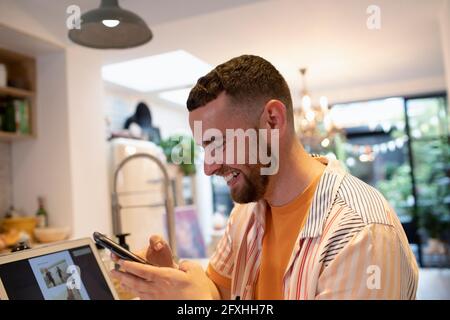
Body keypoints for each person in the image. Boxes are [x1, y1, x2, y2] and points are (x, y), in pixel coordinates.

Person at [111, 55, 419, 300]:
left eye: (217, 142)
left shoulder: (360, 234)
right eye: (205, 148)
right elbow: (217, 293)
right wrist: (169, 282)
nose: (208, 167)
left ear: (272, 120)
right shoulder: (246, 213)